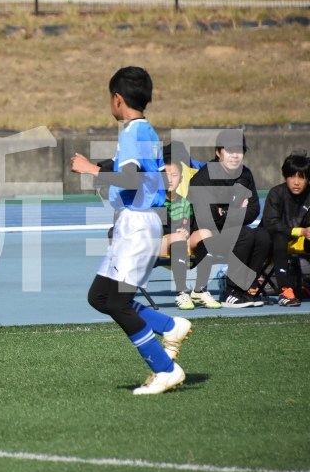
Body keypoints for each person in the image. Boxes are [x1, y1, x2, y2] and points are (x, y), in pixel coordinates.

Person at [71, 66, 191, 395]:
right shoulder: (143, 130)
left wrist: (91, 169)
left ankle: (165, 369)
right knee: (100, 297)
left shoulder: (131, 133)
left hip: (137, 224)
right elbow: (137, 170)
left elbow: (130, 178)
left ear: (117, 99)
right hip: (134, 223)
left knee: (119, 303)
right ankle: (169, 326)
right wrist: (105, 165)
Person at [188, 130, 270, 308]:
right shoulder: (203, 178)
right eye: (230, 150)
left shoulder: (245, 174)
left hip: (231, 230)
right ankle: (230, 292)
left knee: (263, 236)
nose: (235, 155)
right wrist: (235, 210)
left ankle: (244, 288)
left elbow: (254, 210)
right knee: (245, 234)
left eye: (239, 151)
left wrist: (224, 212)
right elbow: (208, 219)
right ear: (218, 152)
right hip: (205, 235)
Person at [160, 141, 221, 310]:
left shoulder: (186, 202)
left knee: (205, 234)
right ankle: (181, 292)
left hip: (181, 241)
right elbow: (157, 228)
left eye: (174, 175)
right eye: (165, 175)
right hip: (159, 244)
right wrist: (177, 233)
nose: (169, 179)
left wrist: (187, 231)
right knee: (178, 238)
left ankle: (200, 289)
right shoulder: (155, 201)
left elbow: (192, 224)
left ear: (181, 178)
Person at [261, 150, 310, 307]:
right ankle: (284, 291)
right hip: (269, 241)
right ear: (285, 177)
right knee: (280, 237)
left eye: (302, 177)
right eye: (292, 176)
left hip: (299, 241)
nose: (296, 182)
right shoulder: (276, 193)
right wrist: (301, 231)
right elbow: (271, 224)